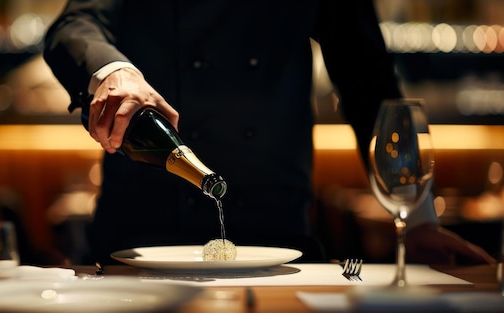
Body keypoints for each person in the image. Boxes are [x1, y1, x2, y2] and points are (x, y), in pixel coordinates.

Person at [43, 0, 496, 266]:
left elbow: (369, 83)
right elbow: (72, 26)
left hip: (280, 245)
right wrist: (111, 71)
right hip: (137, 248)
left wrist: (415, 220)